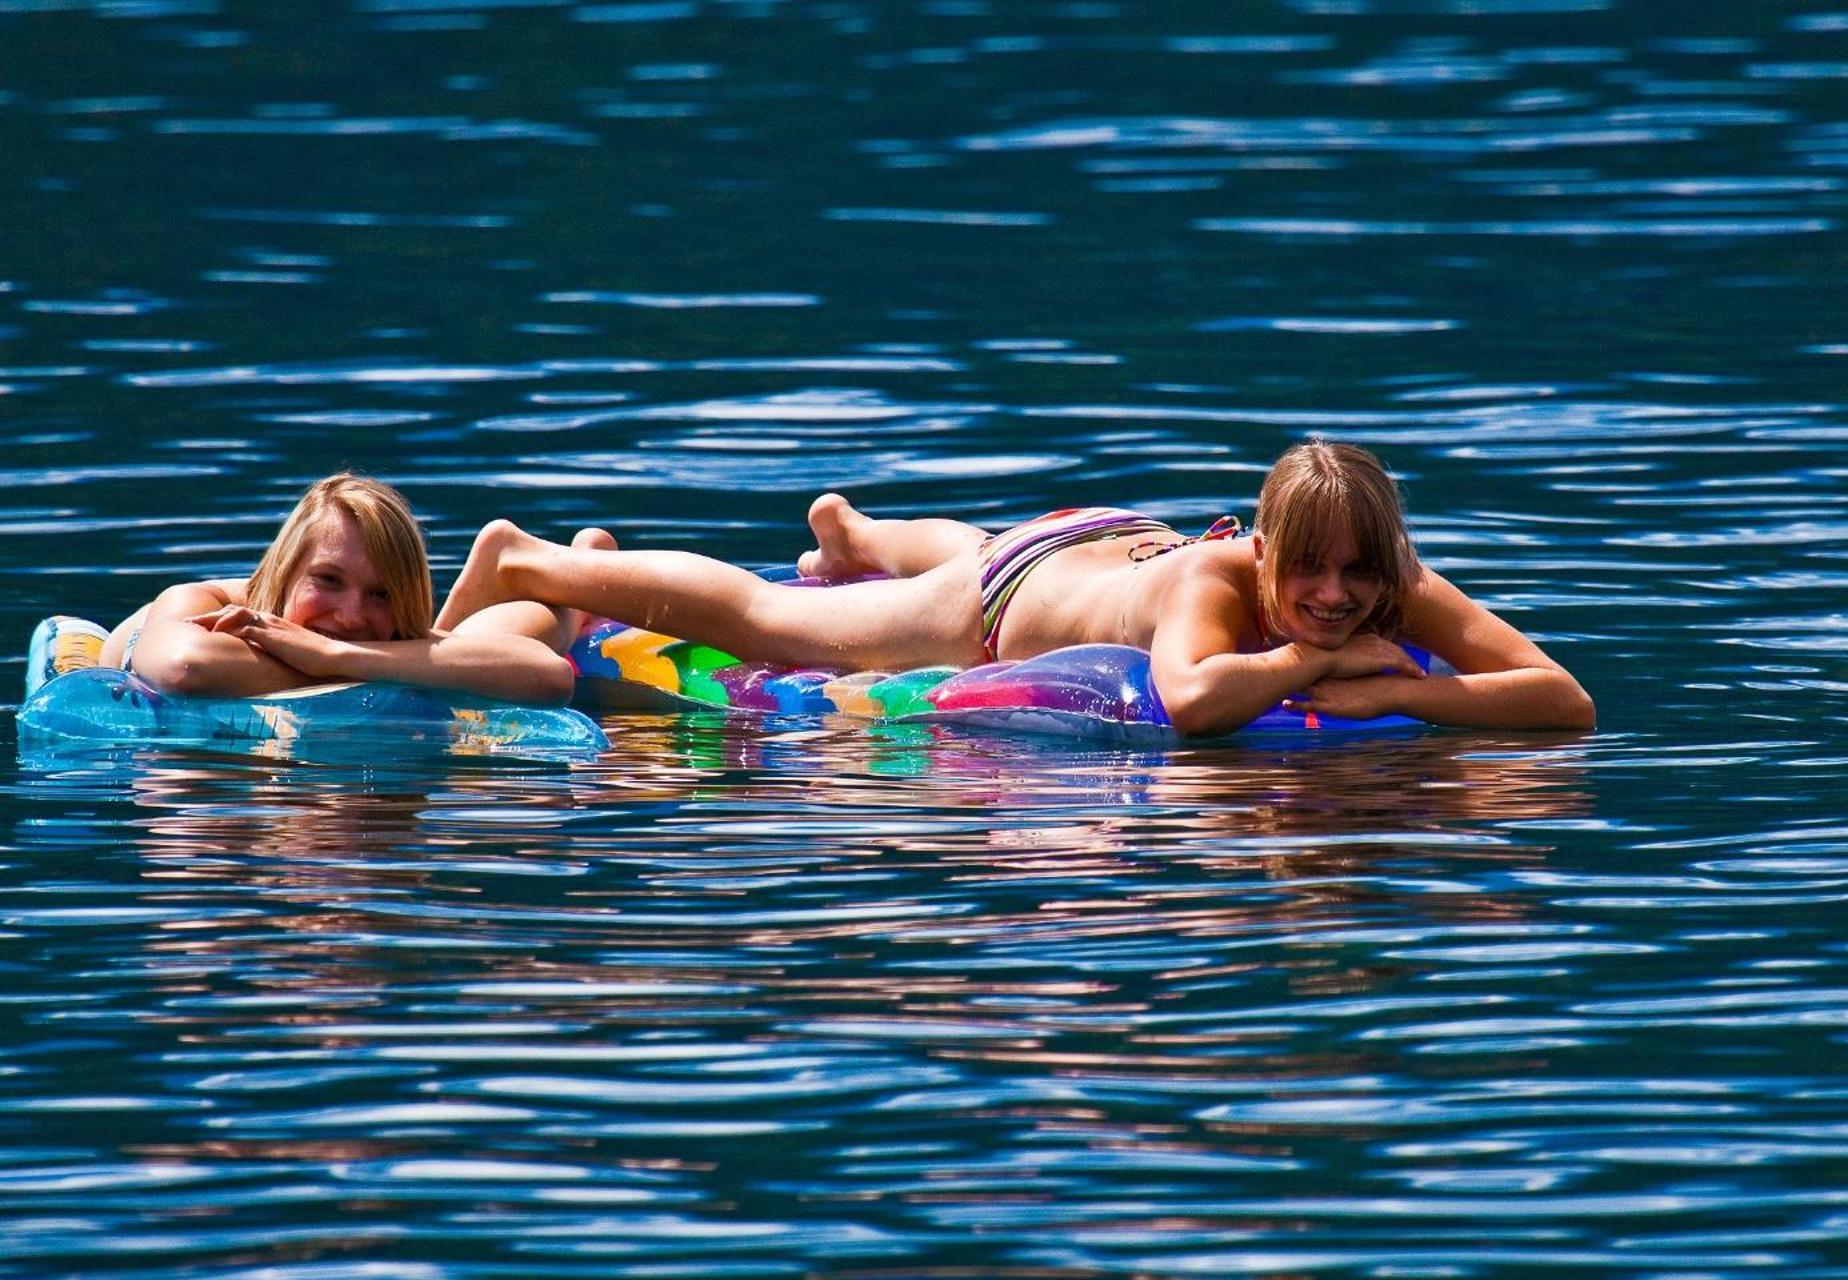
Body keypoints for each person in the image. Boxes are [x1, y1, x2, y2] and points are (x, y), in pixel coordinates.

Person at [436, 439, 1595, 736]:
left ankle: (860, 529)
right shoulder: (1217, 584)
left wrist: (1417, 693)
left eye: (1358, 573)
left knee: (876, 567)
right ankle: (528, 556)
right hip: (1005, 591)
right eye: (1310, 573)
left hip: (1094, 538)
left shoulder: (1389, 579)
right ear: (1263, 550)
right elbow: (1192, 704)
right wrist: (1325, 667)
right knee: (773, 617)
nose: (1337, 594)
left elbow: (1561, 698)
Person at [102, 473, 578, 705]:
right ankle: (531, 571)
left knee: (483, 636)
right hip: (120, 647)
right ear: (286, 572)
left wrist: (333, 656)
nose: (351, 615)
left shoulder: (357, 641)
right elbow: (184, 667)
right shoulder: (206, 604)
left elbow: (551, 677)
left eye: (382, 594)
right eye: (328, 580)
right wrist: (392, 670)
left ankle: (571, 594)